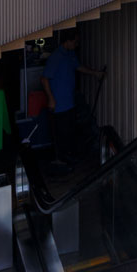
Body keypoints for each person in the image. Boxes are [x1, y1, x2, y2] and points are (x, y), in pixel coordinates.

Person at [41, 30, 104, 169]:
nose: (76, 45)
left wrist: (95, 73)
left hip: (69, 101)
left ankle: (68, 157)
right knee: (60, 133)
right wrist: (51, 99)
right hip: (59, 104)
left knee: (69, 131)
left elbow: (79, 67)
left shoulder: (70, 54)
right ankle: (61, 160)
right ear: (67, 41)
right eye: (75, 42)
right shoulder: (56, 57)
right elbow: (44, 79)